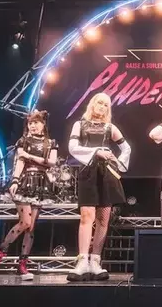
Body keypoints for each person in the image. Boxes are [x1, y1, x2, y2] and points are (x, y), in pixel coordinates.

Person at [0, 110, 58, 281]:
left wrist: (30, 156)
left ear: (43, 124)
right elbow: (20, 161)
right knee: (25, 222)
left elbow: (52, 162)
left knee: (31, 228)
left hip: (41, 184)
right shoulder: (23, 141)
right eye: (30, 123)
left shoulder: (51, 143)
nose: (33, 126)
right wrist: (15, 181)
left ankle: (22, 266)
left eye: (36, 122)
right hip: (25, 182)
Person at [66, 93, 131, 282]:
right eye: (99, 103)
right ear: (92, 104)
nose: (102, 107)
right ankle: (82, 262)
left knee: (103, 219)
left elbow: (126, 148)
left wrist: (118, 163)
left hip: (107, 174)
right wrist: (96, 152)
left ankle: (95, 261)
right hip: (88, 173)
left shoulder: (110, 128)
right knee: (87, 217)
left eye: (106, 105)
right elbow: (72, 147)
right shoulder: (80, 125)